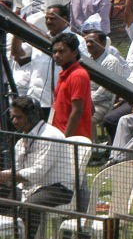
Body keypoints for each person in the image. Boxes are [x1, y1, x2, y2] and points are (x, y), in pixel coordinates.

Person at [0, 97, 76, 239]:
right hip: (31, 186)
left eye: (19, 117)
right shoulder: (22, 139)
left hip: (58, 188)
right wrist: (4, 177)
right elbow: (16, 170)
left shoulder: (50, 136)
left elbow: (37, 172)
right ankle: (11, 233)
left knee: (29, 206)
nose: (15, 121)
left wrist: (7, 176)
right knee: (3, 197)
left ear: (32, 115)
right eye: (13, 117)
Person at [51, 31, 93, 138]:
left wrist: (66, 139)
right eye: (54, 51)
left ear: (74, 53)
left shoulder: (77, 75)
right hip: (59, 134)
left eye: (61, 51)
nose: (56, 55)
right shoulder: (64, 74)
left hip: (73, 139)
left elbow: (77, 110)